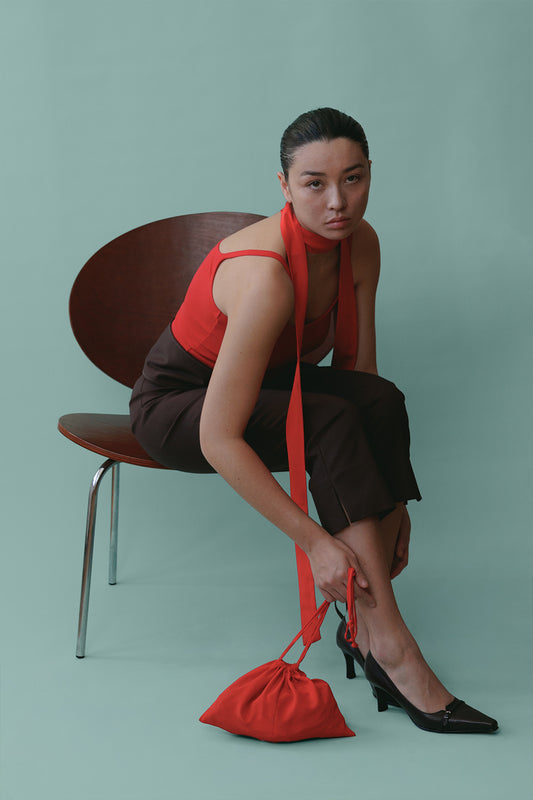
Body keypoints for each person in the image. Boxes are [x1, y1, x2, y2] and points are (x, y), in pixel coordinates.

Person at [130, 108, 497, 734]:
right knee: (329, 422)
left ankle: (366, 631)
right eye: (314, 183)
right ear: (283, 186)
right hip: (179, 406)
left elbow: (362, 379)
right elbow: (218, 437)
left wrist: (392, 505)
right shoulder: (264, 276)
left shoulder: (362, 245)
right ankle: (391, 648)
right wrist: (315, 543)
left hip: (273, 386)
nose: (337, 202)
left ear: (370, 173)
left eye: (353, 179)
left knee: (379, 401)